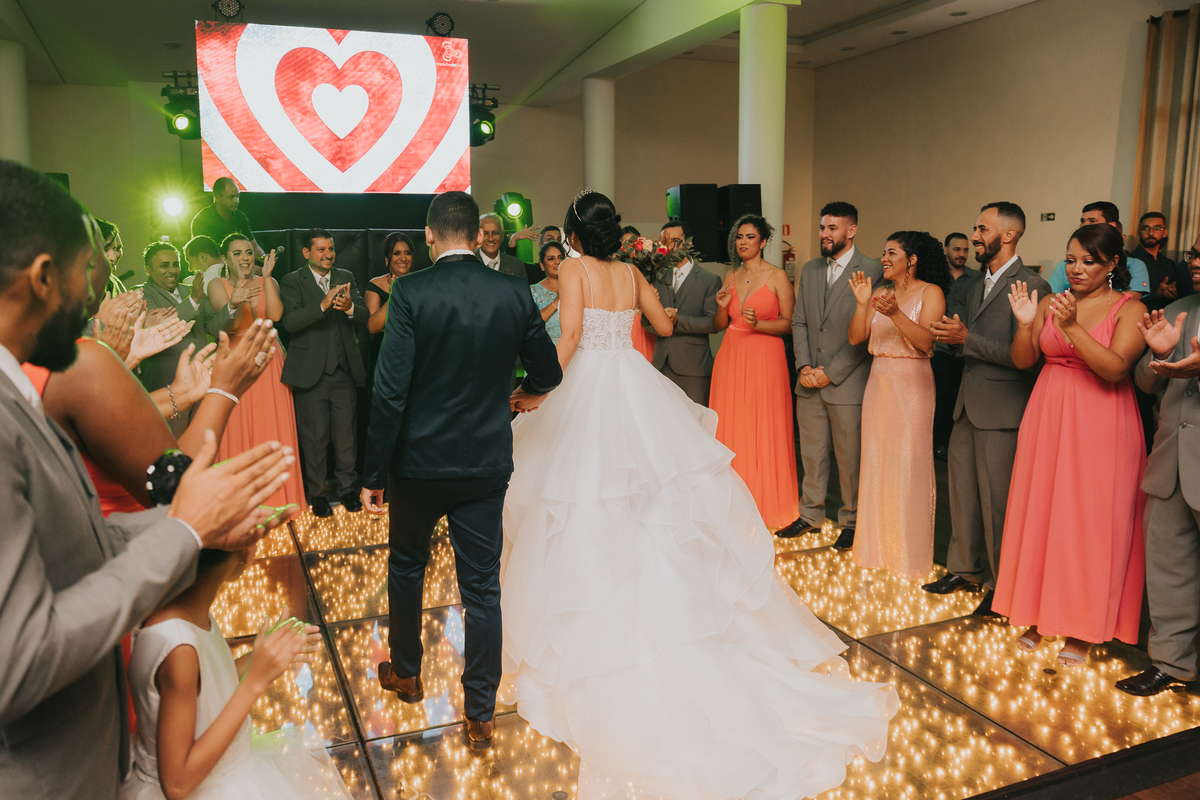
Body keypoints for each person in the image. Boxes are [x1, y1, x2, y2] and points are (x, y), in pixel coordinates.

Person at [502, 190, 897, 800]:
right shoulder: (632, 273)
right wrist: (699, 311)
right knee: (651, 499)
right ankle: (670, 607)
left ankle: (590, 619)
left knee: (579, 497)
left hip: (589, 388)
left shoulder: (575, 271)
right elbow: (662, 325)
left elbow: (573, 334)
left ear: (576, 234)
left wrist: (538, 389)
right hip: (634, 385)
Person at [0, 158, 295, 800]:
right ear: (45, 277)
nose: (98, 305)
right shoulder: (45, 386)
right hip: (44, 772)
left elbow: (73, 540)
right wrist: (185, 525)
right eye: (91, 279)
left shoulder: (18, 386)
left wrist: (202, 521)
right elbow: (19, 657)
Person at [360, 190, 562, 752]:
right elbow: (547, 371)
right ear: (477, 237)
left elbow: (390, 390)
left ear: (429, 236)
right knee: (481, 589)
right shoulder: (512, 290)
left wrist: (374, 471)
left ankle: (406, 673)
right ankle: (480, 713)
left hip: (418, 465)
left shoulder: (410, 291)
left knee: (407, 567)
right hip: (485, 463)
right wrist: (522, 395)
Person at [995, 224, 1147, 666]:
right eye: (1071, 259)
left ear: (1113, 264)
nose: (1076, 269)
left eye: (1089, 261)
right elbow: (1024, 359)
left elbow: (1116, 368)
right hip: (1047, 412)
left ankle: (1082, 627)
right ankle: (1042, 615)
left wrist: (1073, 327)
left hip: (1101, 421)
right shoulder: (1049, 301)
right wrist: (1027, 326)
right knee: (1043, 513)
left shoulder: (1129, 309)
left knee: (1089, 520)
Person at [122, 550, 350, 800]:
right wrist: (256, 680)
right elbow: (177, 784)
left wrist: (256, 661)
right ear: (243, 555)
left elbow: (200, 685)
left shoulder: (185, 605)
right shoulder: (178, 646)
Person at [923, 202, 1050, 615]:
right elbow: (965, 337)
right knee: (962, 494)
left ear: (1008, 235)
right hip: (967, 403)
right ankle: (965, 568)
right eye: (974, 228)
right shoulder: (975, 284)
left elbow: (1024, 357)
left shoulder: (1032, 285)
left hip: (1002, 409)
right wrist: (949, 336)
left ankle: (1001, 585)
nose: (974, 236)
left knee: (999, 503)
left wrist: (966, 340)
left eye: (982, 229)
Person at [1117, 239, 1200, 695]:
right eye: (1194, 255)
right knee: (1170, 568)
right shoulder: (1178, 308)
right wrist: (1161, 355)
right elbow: (1147, 383)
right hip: (1171, 458)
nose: (1196, 263)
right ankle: (1171, 664)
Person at [777, 202, 882, 550]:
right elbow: (800, 320)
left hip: (846, 381)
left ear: (851, 231)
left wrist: (830, 373)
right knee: (811, 452)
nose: (824, 234)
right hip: (808, 378)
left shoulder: (872, 270)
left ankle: (851, 520)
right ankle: (810, 514)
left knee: (849, 457)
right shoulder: (808, 270)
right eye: (823, 227)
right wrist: (804, 366)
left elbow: (865, 333)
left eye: (832, 228)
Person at [848, 232, 948, 580]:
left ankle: (907, 558)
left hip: (912, 384)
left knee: (908, 464)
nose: (884, 258)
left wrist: (897, 315)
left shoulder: (930, 292)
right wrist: (864, 303)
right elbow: (856, 338)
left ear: (913, 258)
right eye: (884, 252)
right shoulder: (879, 292)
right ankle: (875, 550)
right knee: (876, 460)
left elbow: (925, 343)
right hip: (879, 383)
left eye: (891, 253)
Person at [709, 214, 799, 528]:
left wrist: (759, 324)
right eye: (739, 237)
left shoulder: (777, 277)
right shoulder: (730, 276)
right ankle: (733, 503)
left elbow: (790, 324)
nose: (743, 242)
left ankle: (767, 503)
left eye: (750, 237)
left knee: (765, 423)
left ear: (763, 241)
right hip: (732, 354)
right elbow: (720, 326)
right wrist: (722, 307)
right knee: (734, 425)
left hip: (766, 356)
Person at [210, 235, 306, 510]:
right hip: (237, 358)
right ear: (226, 258)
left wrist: (265, 279)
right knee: (238, 427)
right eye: (237, 253)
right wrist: (239, 293)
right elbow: (233, 324)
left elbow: (275, 315)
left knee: (272, 426)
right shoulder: (218, 285)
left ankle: (279, 499)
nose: (244, 257)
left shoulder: (269, 281)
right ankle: (243, 503)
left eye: (248, 252)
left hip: (269, 358)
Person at [280, 229, 368, 518]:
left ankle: (348, 491)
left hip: (343, 370)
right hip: (310, 373)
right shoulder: (292, 281)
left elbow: (364, 315)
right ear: (306, 253)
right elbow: (290, 321)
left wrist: (350, 307)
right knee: (314, 438)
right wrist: (322, 305)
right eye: (321, 250)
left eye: (330, 249)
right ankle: (317, 494)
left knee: (346, 436)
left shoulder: (346, 275)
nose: (328, 254)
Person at [138, 242, 234, 436]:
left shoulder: (188, 289)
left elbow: (212, 326)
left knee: (200, 440)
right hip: (167, 383)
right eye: (165, 265)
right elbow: (161, 327)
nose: (172, 270)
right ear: (148, 269)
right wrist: (193, 301)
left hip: (200, 379)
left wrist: (232, 305)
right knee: (174, 444)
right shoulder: (141, 294)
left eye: (176, 264)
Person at [643, 220, 721, 405]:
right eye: (665, 242)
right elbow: (645, 322)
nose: (670, 246)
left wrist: (678, 321)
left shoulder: (709, 280)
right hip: (662, 365)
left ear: (689, 243)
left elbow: (714, 324)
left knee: (696, 426)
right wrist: (660, 319)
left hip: (694, 368)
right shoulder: (658, 277)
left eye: (675, 241)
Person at [932, 233, 979, 460]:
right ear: (946, 250)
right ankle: (937, 443)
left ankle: (952, 444)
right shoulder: (936, 277)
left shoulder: (978, 279)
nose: (962, 254)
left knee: (955, 398)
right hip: (939, 347)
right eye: (956, 249)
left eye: (965, 250)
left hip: (965, 349)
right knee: (938, 397)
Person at [1046, 202, 1150, 296]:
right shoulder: (1063, 266)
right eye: (1082, 221)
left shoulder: (1134, 266)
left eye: (1092, 221)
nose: (1077, 269)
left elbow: (1129, 304)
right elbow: (1051, 300)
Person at [189, 177, 264, 261]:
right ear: (217, 198)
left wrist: (263, 258)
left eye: (237, 196)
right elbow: (206, 257)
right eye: (231, 197)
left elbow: (254, 246)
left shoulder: (240, 216)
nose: (236, 201)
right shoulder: (201, 220)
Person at [366, 231, 415, 336]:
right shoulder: (375, 284)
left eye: (408, 253)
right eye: (396, 253)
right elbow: (372, 327)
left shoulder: (421, 282)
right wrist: (395, 293)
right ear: (387, 259)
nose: (403, 258)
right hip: (384, 346)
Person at [530, 240, 566, 343]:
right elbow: (533, 323)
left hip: (575, 347)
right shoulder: (533, 291)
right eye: (551, 258)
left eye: (560, 258)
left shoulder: (574, 287)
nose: (557, 262)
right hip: (546, 347)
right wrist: (556, 302)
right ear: (542, 265)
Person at [477, 213, 527, 279]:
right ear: (478, 236)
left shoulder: (516, 265)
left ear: (502, 236)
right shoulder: (469, 264)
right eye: (485, 234)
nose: (490, 239)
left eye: (495, 233)